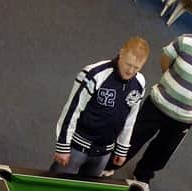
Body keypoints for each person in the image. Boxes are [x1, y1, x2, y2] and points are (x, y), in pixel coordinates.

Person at [101, 21, 192, 183]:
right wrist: (170, 80)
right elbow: (166, 58)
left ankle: (142, 175)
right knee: (134, 137)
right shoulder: (185, 41)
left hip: (184, 118)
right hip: (157, 103)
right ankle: (109, 166)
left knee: (162, 151)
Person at [51, 37, 149, 177]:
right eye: (128, 64)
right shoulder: (94, 74)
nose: (130, 71)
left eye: (136, 67)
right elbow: (72, 109)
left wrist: (122, 148)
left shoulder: (139, 83)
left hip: (104, 152)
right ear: (121, 53)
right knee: (57, 184)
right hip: (77, 148)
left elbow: (130, 119)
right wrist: (63, 145)